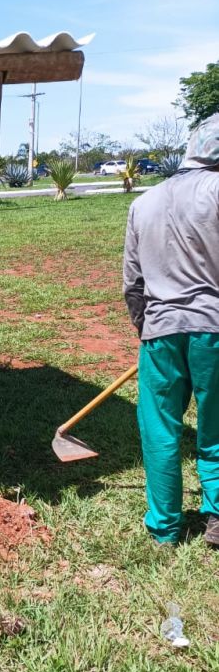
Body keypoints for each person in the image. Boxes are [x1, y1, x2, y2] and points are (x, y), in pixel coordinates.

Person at [123, 113, 219, 547]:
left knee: (160, 430)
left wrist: (145, 327)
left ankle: (164, 527)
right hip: (213, 329)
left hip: (160, 330)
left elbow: (133, 282)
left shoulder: (144, 202)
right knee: (216, 429)